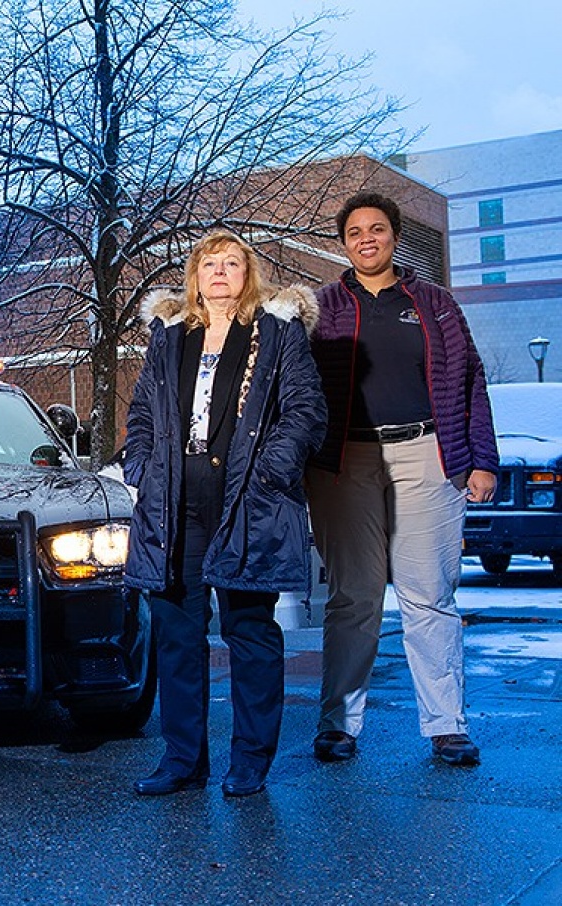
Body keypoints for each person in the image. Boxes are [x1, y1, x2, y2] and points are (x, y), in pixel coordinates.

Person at [123, 231, 327, 797]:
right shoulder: (168, 337)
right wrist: (139, 465)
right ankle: (183, 760)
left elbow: (306, 411)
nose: (219, 272)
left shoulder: (277, 333)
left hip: (246, 497)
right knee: (175, 631)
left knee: (250, 630)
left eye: (231, 263)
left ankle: (249, 761)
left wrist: (270, 471)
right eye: (208, 263)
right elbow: (142, 411)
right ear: (194, 275)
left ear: (247, 274)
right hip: (174, 500)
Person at [306, 192, 498, 767]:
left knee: (429, 595)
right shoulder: (322, 308)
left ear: (393, 236)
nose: (368, 238)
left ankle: (447, 725)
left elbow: (470, 380)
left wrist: (482, 458)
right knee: (354, 598)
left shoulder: (435, 303)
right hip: (345, 464)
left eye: (378, 229)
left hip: (427, 456)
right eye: (355, 231)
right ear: (343, 243)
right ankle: (339, 723)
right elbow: (296, 391)